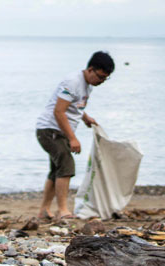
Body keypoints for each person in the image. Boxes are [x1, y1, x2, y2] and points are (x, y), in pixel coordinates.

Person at [36, 51, 115, 220]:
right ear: (90, 69)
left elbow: (75, 106)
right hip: (50, 129)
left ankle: (44, 210)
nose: (101, 82)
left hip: (58, 130)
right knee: (66, 167)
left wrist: (85, 117)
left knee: (56, 170)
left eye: (105, 79)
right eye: (100, 77)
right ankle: (63, 210)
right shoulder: (73, 82)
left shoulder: (87, 86)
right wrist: (72, 138)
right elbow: (59, 112)